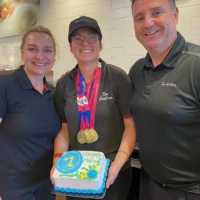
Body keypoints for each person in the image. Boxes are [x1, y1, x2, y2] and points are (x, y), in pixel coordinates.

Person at [50, 16, 137, 200]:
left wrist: (117, 164)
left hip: (114, 170)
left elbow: (130, 126)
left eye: (91, 36)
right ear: (71, 47)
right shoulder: (64, 84)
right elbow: (64, 129)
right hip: (77, 172)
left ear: (100, 44)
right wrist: (58, 160)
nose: (85, 43)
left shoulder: (118, 77)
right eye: (77, 38)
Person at [129, 0, 200, 200]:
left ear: (175, 15)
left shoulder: (196, 65)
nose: (148, 23)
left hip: (189, 192)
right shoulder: (136, 71)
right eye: (139, 17)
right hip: (148, 184)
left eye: (157, 12)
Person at [0, 25, 61, 200]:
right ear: (22, 53)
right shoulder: (5, 85)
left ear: (54, 57)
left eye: (47, 50)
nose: (40, 56)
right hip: (13, 186)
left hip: (47, 182)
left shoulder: (53, 93)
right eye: (32, 49)